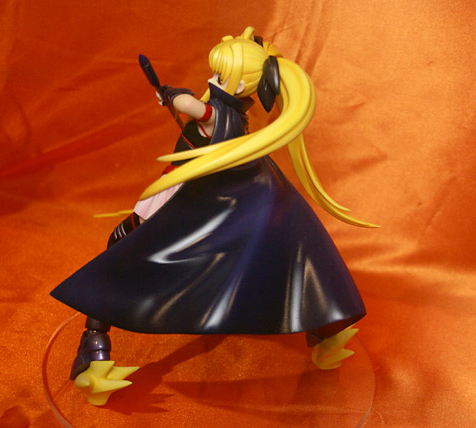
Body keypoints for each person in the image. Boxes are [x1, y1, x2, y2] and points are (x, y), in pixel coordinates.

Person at [51, 27, 377, 405]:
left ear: (238, 86)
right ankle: (326, 333)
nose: (212, 80)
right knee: (126, 245)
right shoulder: (235, 119)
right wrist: (173, 97)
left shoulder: (218, 114)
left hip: (178, 195)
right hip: (193, 194)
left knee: (121, 244)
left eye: (220, 75)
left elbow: (190, 106)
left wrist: (171, 94)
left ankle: (93, 349)